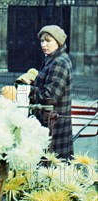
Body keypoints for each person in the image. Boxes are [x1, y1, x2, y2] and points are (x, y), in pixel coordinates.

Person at [28, 25, 73, 160]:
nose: (44, 44)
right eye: (42, 41)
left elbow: (50, 96)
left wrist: (28, 90)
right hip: (49, 120)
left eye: (48, 41)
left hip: (54, 122)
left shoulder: (59, 62)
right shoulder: (51, 58)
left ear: (58, 42)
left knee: (53, 165)